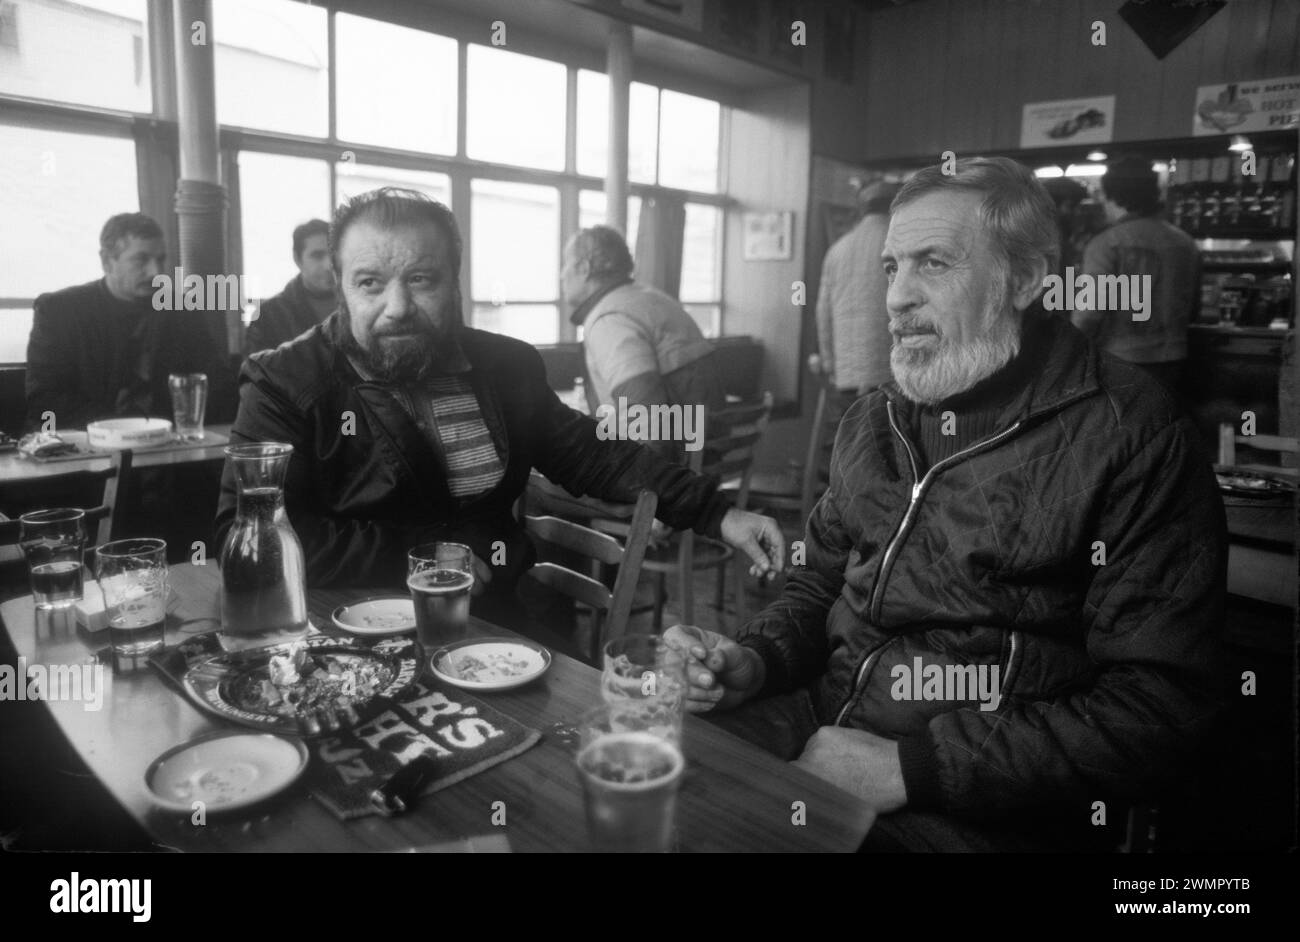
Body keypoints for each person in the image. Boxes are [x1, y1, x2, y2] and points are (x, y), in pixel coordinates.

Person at [666, 157, 1226, 852]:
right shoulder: (873, 419)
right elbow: (819, 581)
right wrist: (758, 659)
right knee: (642, 773)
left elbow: (1159, 708)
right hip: (818, 712)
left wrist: (914, 768)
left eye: (933, 263)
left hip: (981, 790)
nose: (897, 298)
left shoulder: (1135, 436)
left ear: (1024, 279)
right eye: (891, 267)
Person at [215, 189, 782, 633]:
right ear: (341, 288)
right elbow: (251, 538)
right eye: (370, 283)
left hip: (493, 631)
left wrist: (715, 513)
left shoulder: (504, 366)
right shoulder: (284, 380)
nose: (399, 307)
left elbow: (592, 453)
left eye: (421, 279)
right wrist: (421, 561)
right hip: (336, 636)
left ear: (454, 281)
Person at [24, 213, 219, 432]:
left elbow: (217, 386)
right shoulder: (60, 311)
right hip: (86, 445)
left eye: (161, 259)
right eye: (141, 260)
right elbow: (44, 402)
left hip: (167, 444)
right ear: (107, 261)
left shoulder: (182, 312)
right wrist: (122, 429)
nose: (156, 272)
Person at [561, 225, 725, 459]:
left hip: (669, 478)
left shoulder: (609, 319)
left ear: (584, 268)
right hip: (702, 467)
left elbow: (646, 425)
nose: (561, 275)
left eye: (565, 264)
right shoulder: (654, 300)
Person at [1072, 157, 1201, 394]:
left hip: (1120, 360)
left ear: (1111, 195)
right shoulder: (1185, 242)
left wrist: (1068, 351)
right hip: (1174, 359)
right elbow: (1194, 308)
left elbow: (1089, 312)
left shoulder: (1106, 243)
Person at [813, 179, 902, 397]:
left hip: (846, 374)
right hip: (892, 371)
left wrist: (828, 363)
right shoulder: (900, 245)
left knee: (854, 429)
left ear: (862, 208)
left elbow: (823, 313)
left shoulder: (837, 249)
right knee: (890, 428)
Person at [244, 219, 337, 354]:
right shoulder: (268, 315)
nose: (329, 265)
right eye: (317, 255)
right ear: (297, 259)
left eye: (334, 255)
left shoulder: (360, 305)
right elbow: (254, 372)